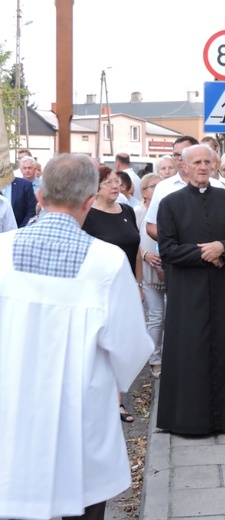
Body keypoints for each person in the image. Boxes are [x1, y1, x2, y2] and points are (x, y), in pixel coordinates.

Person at [0, 154, 152, 520]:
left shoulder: (2, 251)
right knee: (81, 501)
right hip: (78, 413)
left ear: (39, 197)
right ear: (88, 202)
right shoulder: (107, 261)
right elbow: (130, 349)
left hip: (10, 408)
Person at [156, 144, 225, 435]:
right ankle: (189, 419)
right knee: (190, 352)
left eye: (207, 162)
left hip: (220, 289)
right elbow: (168, 250)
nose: (202, 167)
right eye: (196, 162)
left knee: (223, 348)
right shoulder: (170, 203)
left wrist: (222, 248)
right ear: (183, 167)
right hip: (187, 292)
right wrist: (204, 253)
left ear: (214, 165)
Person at [82, 165, 141, 423]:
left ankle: (118, 402)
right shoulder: (87, 216)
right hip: (96, 289)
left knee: (118, 346)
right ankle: (95, 401)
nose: (116, 186)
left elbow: (136, 250)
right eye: (108, 182)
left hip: (124, 288)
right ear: (94, 188)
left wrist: (138, 284)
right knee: (97, 347)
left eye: (117, 181)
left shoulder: (127, 210)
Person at [146, 136, 223, 241]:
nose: (180, 158)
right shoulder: (163, 187)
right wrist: (175, 244)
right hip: (174, 254)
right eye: (176, 155)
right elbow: (151, 225)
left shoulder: (217, 187)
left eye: (184, 153)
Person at [135, 172, 165, 378]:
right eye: (155, 186)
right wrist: (145, 255)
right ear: (144, 192)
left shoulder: (168, 209)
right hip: (148, 272)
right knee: (156, 317)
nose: (158, 189)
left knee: (172, 318)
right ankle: (155, 359)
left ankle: (171, 357)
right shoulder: (138, 212)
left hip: (170, 271)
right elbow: (131, 240)